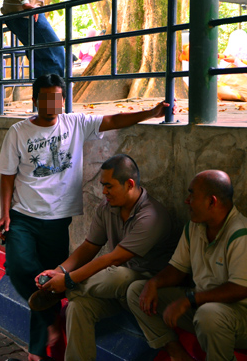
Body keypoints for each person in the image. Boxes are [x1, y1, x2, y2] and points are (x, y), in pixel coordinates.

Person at [0, 74, 174, 361]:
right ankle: (51, 316)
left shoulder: (75, 123)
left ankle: (37, 350)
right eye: (47, 98)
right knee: (18, 266)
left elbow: (113, 121)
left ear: (63, 99)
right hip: (23, 214)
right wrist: (5, 214)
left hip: (59, 218)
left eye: (58, 98)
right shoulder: (18, 132)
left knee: (45, 279)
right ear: (36, 100)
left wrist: (150, 113)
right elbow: (7, 176)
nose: (53, 104)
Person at [32, 154, 180, 361]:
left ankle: (66, 290)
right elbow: (89, 246)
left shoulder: (152, 215)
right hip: (111, 289)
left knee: (119, 275)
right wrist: (59, 271)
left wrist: (67, 281)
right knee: (77, 307)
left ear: (129, 184)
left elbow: (114, 259)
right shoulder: (107, 207)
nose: (103, 192)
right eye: (103, 185)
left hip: (145, 290)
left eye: (109, 186)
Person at [127, 170, 247, 361]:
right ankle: (177, 354)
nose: (187, 200)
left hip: (237, 316)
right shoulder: (194, 227)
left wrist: (189, 301)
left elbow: (241, 288)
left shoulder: (240, 234)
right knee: (136, 291)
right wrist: (154, 283)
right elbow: (177, 269)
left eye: (192, 195)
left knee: (209, 315)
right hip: (200, 305)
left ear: (211, 201)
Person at [2, 0, 65, 78]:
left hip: (18, 12)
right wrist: (25, 3)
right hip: (26, 12)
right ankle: (53, 95)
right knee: (55, 52)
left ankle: (42, 95)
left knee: (39, 57)